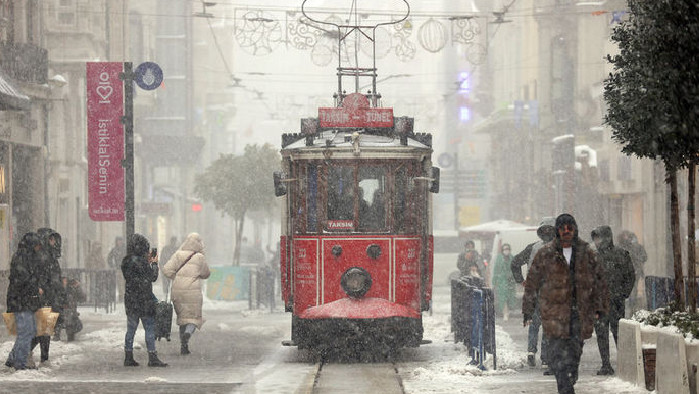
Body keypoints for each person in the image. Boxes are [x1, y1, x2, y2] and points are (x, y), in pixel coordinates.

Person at [523, 214, 609, 394]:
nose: (566, 232)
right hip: (554, 314)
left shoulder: (587, 253)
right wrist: (528, 310)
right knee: (556, 356)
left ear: (575, 229)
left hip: (580, 314)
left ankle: (570, 376)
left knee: (574, 354)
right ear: (558, 230)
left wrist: (600, 307)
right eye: (563, 228)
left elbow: (600, 282)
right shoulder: (546, 253)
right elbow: (532, 282)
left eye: (570, 228)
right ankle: (565, 386)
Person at [591, 226, 635, 375]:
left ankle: (623, 363)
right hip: (599, 303)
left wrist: (623, 293)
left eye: (599, 238)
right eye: (595, 238)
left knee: (617, 333)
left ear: (607, 238)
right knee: (602, 334)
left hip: (615, 301)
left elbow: (630, 276)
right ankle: (606, 364)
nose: (596, 241)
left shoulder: (621, 254)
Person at [512, 218, 555, 368]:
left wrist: (521, 280)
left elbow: (515, 262)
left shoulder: (532, 247)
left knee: (534, 323)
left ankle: (531, 352)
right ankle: (545, 358)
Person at [121, 233, 167, 367]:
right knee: (149, 328)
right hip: (144, 300)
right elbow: (152, 277)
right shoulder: (141, 262)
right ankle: (152, 357)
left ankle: (128, 356)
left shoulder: (126, 261)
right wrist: (153, 263)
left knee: (131, 329)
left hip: (130, 300)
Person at [162, 233, 210, 355]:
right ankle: (187, 334)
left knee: (182, 318)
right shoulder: (199, 257)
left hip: (177, 290)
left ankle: (184, 346)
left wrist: (177, 278)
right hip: (193, 291)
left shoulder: (178, 255)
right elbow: (206, 274)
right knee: (193, 318)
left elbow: (166, 270)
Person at [4, 233, 43, 370]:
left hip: (23, 300)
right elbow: (23, 279)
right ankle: (20, 363)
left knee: (28, 331)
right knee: (26, 332)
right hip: (21, 301)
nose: (38, 248)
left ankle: (14, 358)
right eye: (37, 245)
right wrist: (35, 288)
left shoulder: (26, 257)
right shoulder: (22, 258)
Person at [29, 228, 64, 366]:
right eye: (51, 239)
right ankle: (38, 355)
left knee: (45, 329)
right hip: (45, 297)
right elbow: (44, 278)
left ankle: (43, 357)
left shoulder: (50, 256)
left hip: (50, 296)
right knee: (43, 330)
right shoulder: (43, 257)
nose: (53, 242)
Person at [617, 230, 647, 314]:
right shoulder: (636, 247)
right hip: (633, 272)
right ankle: (631, 306)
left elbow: (644, 257)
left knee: (631, 289)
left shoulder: (624, 247)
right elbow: (645, 257)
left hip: (629, 272)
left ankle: (630, 305)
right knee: (633, 289)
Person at [492, 243, 517, 320]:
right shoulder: (499, 259)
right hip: (502, 281)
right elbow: (496, 270)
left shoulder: (512, 258)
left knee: (510, 298)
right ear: (502, 250)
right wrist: (494, 281)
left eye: (508, 249)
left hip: (510, 281)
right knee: (503, 298)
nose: (506, 251)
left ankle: (508, 311)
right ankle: (505, 313)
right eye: (505, 249)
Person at [108, 236, 127, 302]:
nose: (119, 242)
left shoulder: (125, 249)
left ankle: (125, 296)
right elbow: (109, 258)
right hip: (118, 269)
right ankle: (121, 296)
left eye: (120, 240)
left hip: (125, 269)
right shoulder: (114, 250)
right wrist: (113, 266)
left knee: (125, 283)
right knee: (120, 283)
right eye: (118, 241)